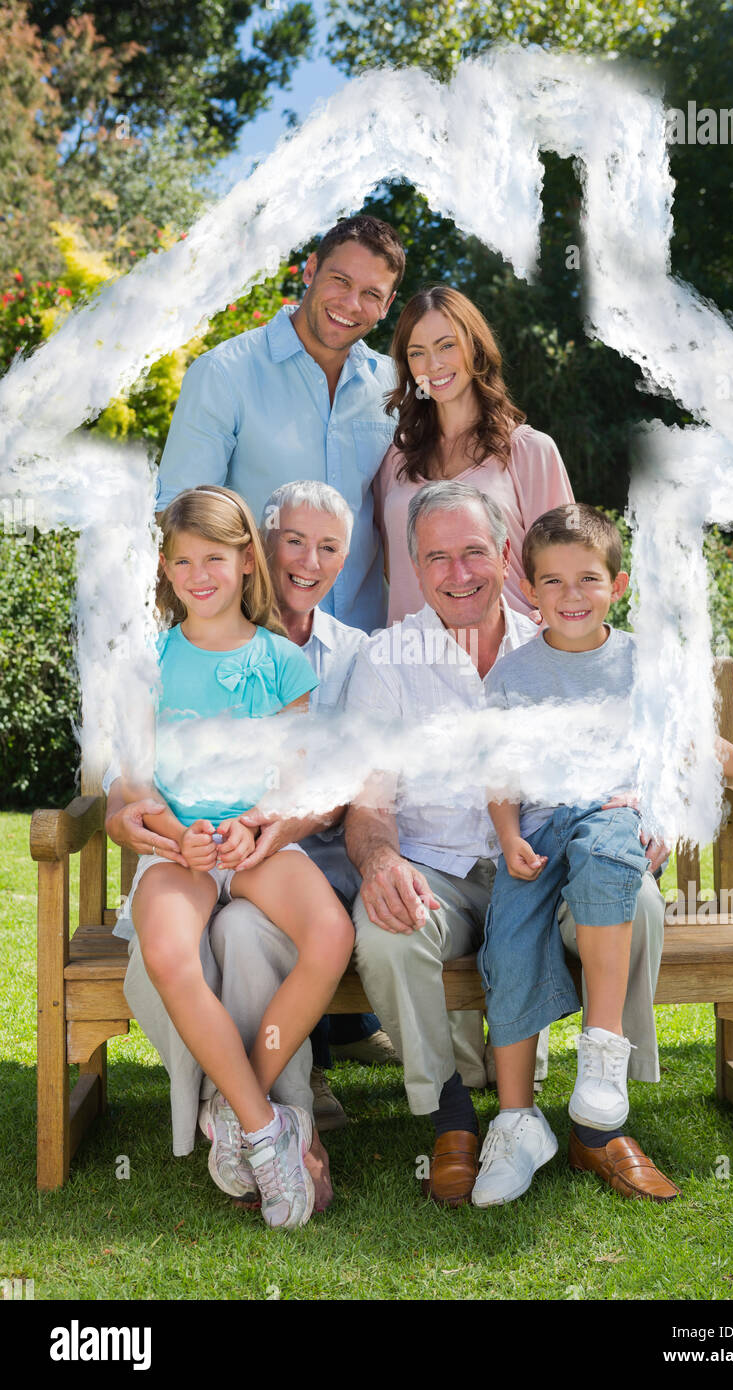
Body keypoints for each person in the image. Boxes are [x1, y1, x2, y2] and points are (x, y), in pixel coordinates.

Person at [472, 502, 733, 1208]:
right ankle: (517, 1123)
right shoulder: (513, 677)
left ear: (619, 583)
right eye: (552, 582)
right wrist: (509, 835)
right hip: (542, 835)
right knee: (509, 936)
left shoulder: (642, 664)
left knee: (611, 846)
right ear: (528, 587)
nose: (571, 597)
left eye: (587, 580)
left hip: (616, 820)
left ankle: (602, 1055)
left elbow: (699, 747)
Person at [343, 481, 670, 1207]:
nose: (458, 573)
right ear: (416, 567)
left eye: (473, 552)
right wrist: (382, 857)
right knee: (391, 930)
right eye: (437, 558)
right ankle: (452, 1119)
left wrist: (649, 814)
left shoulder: (563, 625)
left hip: (555, 860)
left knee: (638, 903)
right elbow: (368, 799)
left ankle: (599, 1120)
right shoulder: (386, 660)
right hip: (443, 870)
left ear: (503, 556)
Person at [119, 484, 354, 1230]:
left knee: (331, 934)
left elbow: (293, 776)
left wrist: (258, 823)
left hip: (252, 847)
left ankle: (240, 1099)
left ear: (246, 562)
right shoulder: (147, 661)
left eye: (214, 558)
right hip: (180, 851)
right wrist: (167, 828)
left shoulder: (280, 661)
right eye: (183, 561)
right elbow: (130, 778)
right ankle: (265, 1130)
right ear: (164, 567)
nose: (199, 575)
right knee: (166, 949)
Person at [155, 214, 406, 633]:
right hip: (254, 648)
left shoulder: (394, 387)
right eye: (340, 280)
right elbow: (180, 520)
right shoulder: (223, 373)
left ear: (387, 304)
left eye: (370, 294)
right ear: (310, 269)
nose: (350, 304)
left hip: (362, 649)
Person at [259, 479, 399, 1133]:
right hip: (242, 849)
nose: (308, 562)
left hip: (325, 848)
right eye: (294, 541)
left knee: (313, 885)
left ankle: (312, 1056)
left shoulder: (354, 654)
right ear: (265, 542)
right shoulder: (220, 638)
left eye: (328, 548)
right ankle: (291, 1067)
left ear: (345, 560)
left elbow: (359, 772)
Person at [374, 285, 574, 624]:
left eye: (447, 345)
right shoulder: (396, 459)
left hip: (506, 662)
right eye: (417, 352)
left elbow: (567, 568)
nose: (433, 365)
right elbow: (394, 568)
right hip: (414, 663)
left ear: (476, 349)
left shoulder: (529, 451)